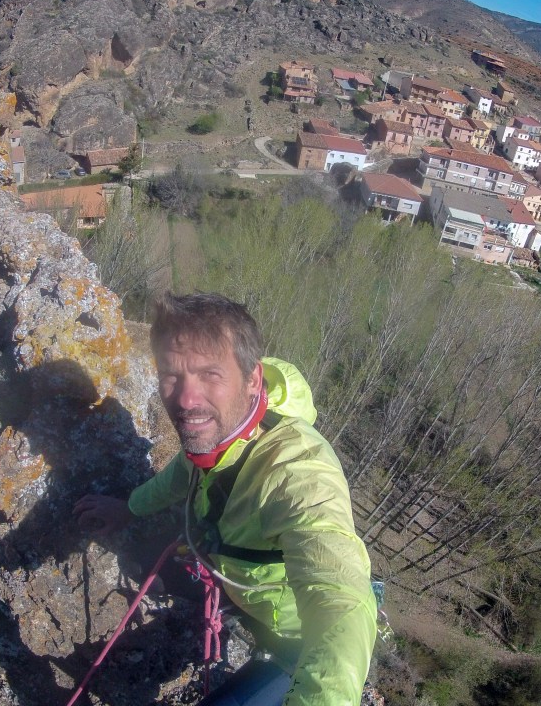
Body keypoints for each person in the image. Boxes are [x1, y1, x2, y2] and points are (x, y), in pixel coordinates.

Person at [74, 292, 376, 706]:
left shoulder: (298, 474)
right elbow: (182, 473)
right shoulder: (220, 434)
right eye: (171, 375)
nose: (185, 399)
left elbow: (341, 605)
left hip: (298, 639)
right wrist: (128, 508)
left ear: (252, 379)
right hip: (240, 589)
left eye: (210, 374)